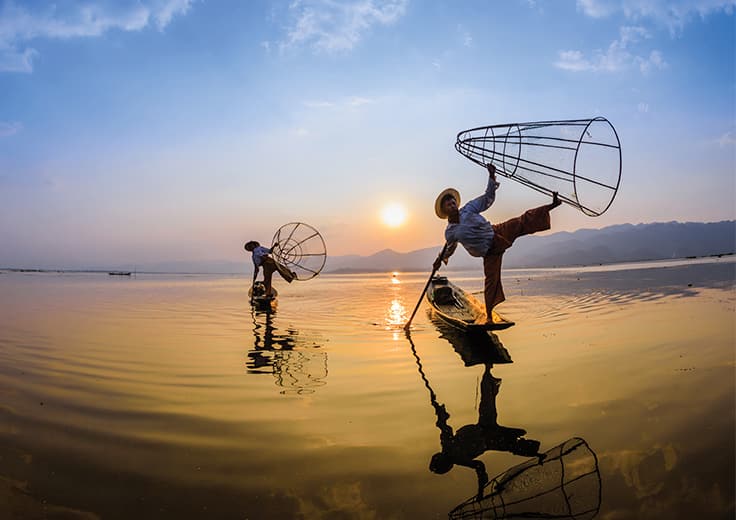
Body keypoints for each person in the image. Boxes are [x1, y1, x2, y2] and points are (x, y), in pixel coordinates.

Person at [433, 163, 561, 325]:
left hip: (497, 233)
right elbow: (449, 249)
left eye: (453, 202)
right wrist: (439, 260)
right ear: (445, 211)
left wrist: (491, 176)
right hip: (489, 253)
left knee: (522, 221)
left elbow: (487, 198)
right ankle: (488, 317)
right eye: (448, 204)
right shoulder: (450, 232)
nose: (452, 205)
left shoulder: (469, 209)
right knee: (491, 281)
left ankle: (552, 205)